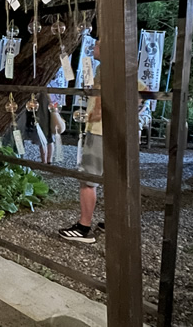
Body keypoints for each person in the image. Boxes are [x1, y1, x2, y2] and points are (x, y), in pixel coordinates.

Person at [58, 40, 144, 243]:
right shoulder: (112, 69)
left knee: (89, 178)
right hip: (118, 132)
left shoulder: (110, 69)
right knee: (116, 178)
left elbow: (139, 96)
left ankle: (84, 227)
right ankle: (117, 222)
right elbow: (140, 95)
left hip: (100, 130)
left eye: (97, 45)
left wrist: (103, 112)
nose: (93, 47)